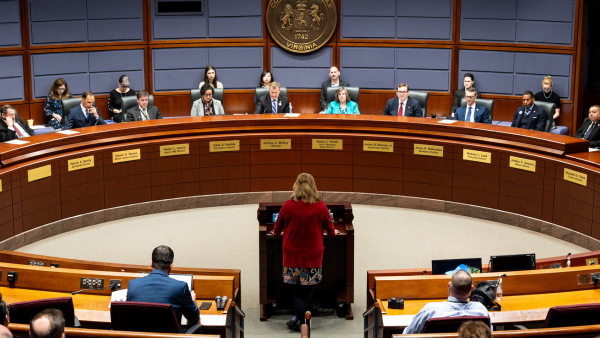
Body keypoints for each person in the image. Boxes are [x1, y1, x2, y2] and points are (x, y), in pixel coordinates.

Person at [271, 173, 339, 332]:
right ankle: (302, 322)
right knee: (308, 288)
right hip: (312, 257)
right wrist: (333, 231)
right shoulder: (321, 206)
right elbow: (330, 231)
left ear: (296, 186)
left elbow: (276, 230)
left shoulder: (287, 205)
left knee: (297, 290)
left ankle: (297, 318)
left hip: (292, 256)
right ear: (313, 186)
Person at [126, 245, 200, 329]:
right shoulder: (180, 287)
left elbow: (128, 316)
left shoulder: (133, 284)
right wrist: (192, 301)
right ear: (171, 265)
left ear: (151, 263)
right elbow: (194, 318)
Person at [403, 270, 490, 334]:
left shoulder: (430, 310)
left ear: (449, 285)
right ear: (471, 289)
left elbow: (407, 335)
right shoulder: (481, 311)